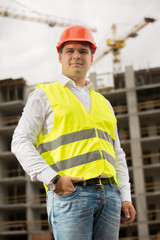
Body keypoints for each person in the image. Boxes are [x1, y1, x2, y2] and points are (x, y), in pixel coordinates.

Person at [11, 25, 136, 240]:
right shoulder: (43, 95)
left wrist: (125, 195)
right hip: (70, 194)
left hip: (110, 195)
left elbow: (118, 153)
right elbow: (20, 141)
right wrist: (53, 179)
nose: (76, 56)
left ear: (91, 57)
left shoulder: (104, 103)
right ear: (60, 56)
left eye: (83, 51)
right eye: (70, 51)